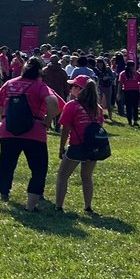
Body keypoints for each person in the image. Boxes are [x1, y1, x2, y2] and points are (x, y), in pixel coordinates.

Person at [0, 57, 59, 211]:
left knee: (3, 166)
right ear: (40, 71)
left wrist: (1, 119)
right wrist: (48, 120)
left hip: (8, 130)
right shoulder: (40, 86)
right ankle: (30, 207)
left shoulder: (9, 83)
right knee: (38, 169)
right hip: (34, 131)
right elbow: (54, 104)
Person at [55, 75, 103, 214]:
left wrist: (61, 148)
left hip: (77, 145)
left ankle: (59, 205)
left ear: (80, 89)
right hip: (93, 146)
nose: (71, 88)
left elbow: (65, 129)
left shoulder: (72, 105)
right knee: (87, 177)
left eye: (74, 86)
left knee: (63, 176)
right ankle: (88, 206)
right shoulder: (97, 107)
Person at [118, 60, 140, 127]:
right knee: (128, 106)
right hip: (127, 91)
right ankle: (129, 121)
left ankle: (135, 120)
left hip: (135, 91)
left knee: (135, 107)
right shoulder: (123, 73)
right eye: (131, 66)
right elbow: (120, 84)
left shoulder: (137, 73)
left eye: (133, 66)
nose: (132, 67)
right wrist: (118, 93)